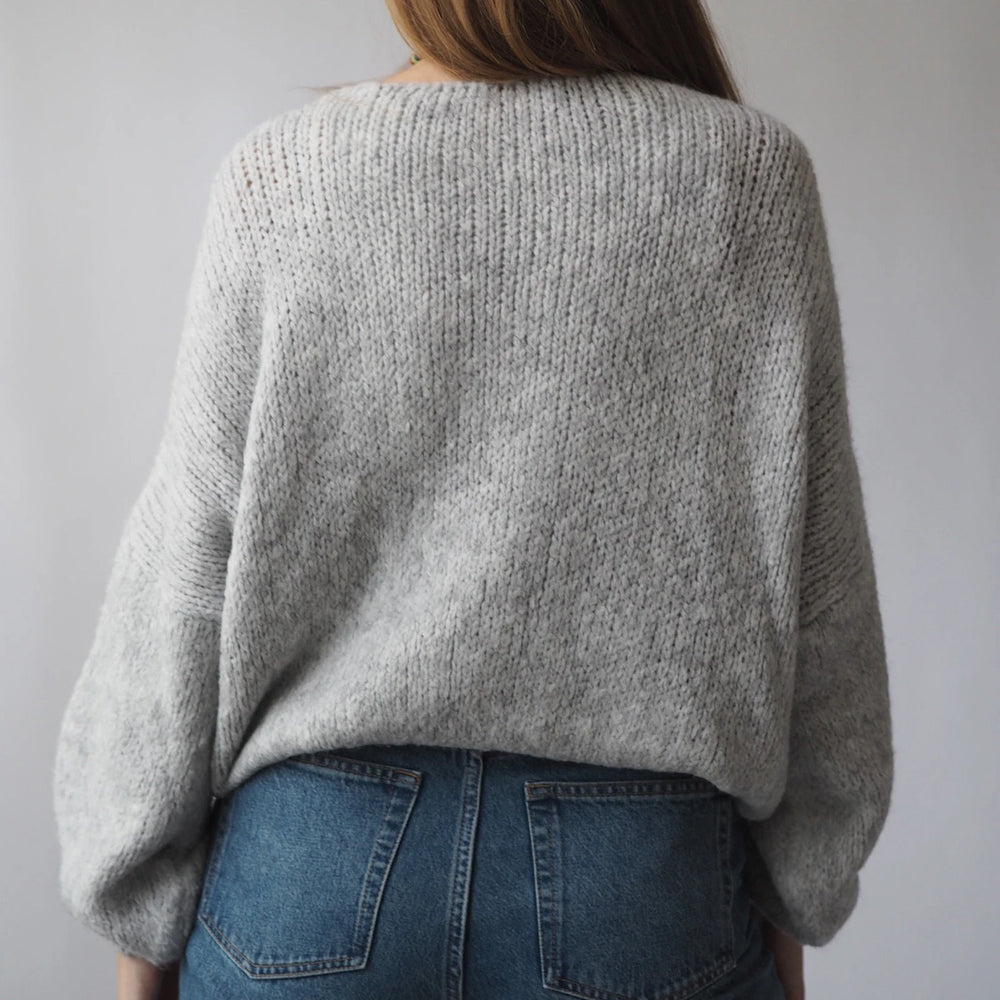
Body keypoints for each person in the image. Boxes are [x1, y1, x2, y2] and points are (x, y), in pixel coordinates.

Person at [53, 2, 895, 998]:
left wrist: (139, 929)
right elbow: (817, 591)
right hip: (637, 894)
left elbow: (184, 577)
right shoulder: (747, 179)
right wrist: (797, 901)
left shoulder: (286, 177)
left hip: (308, 879)